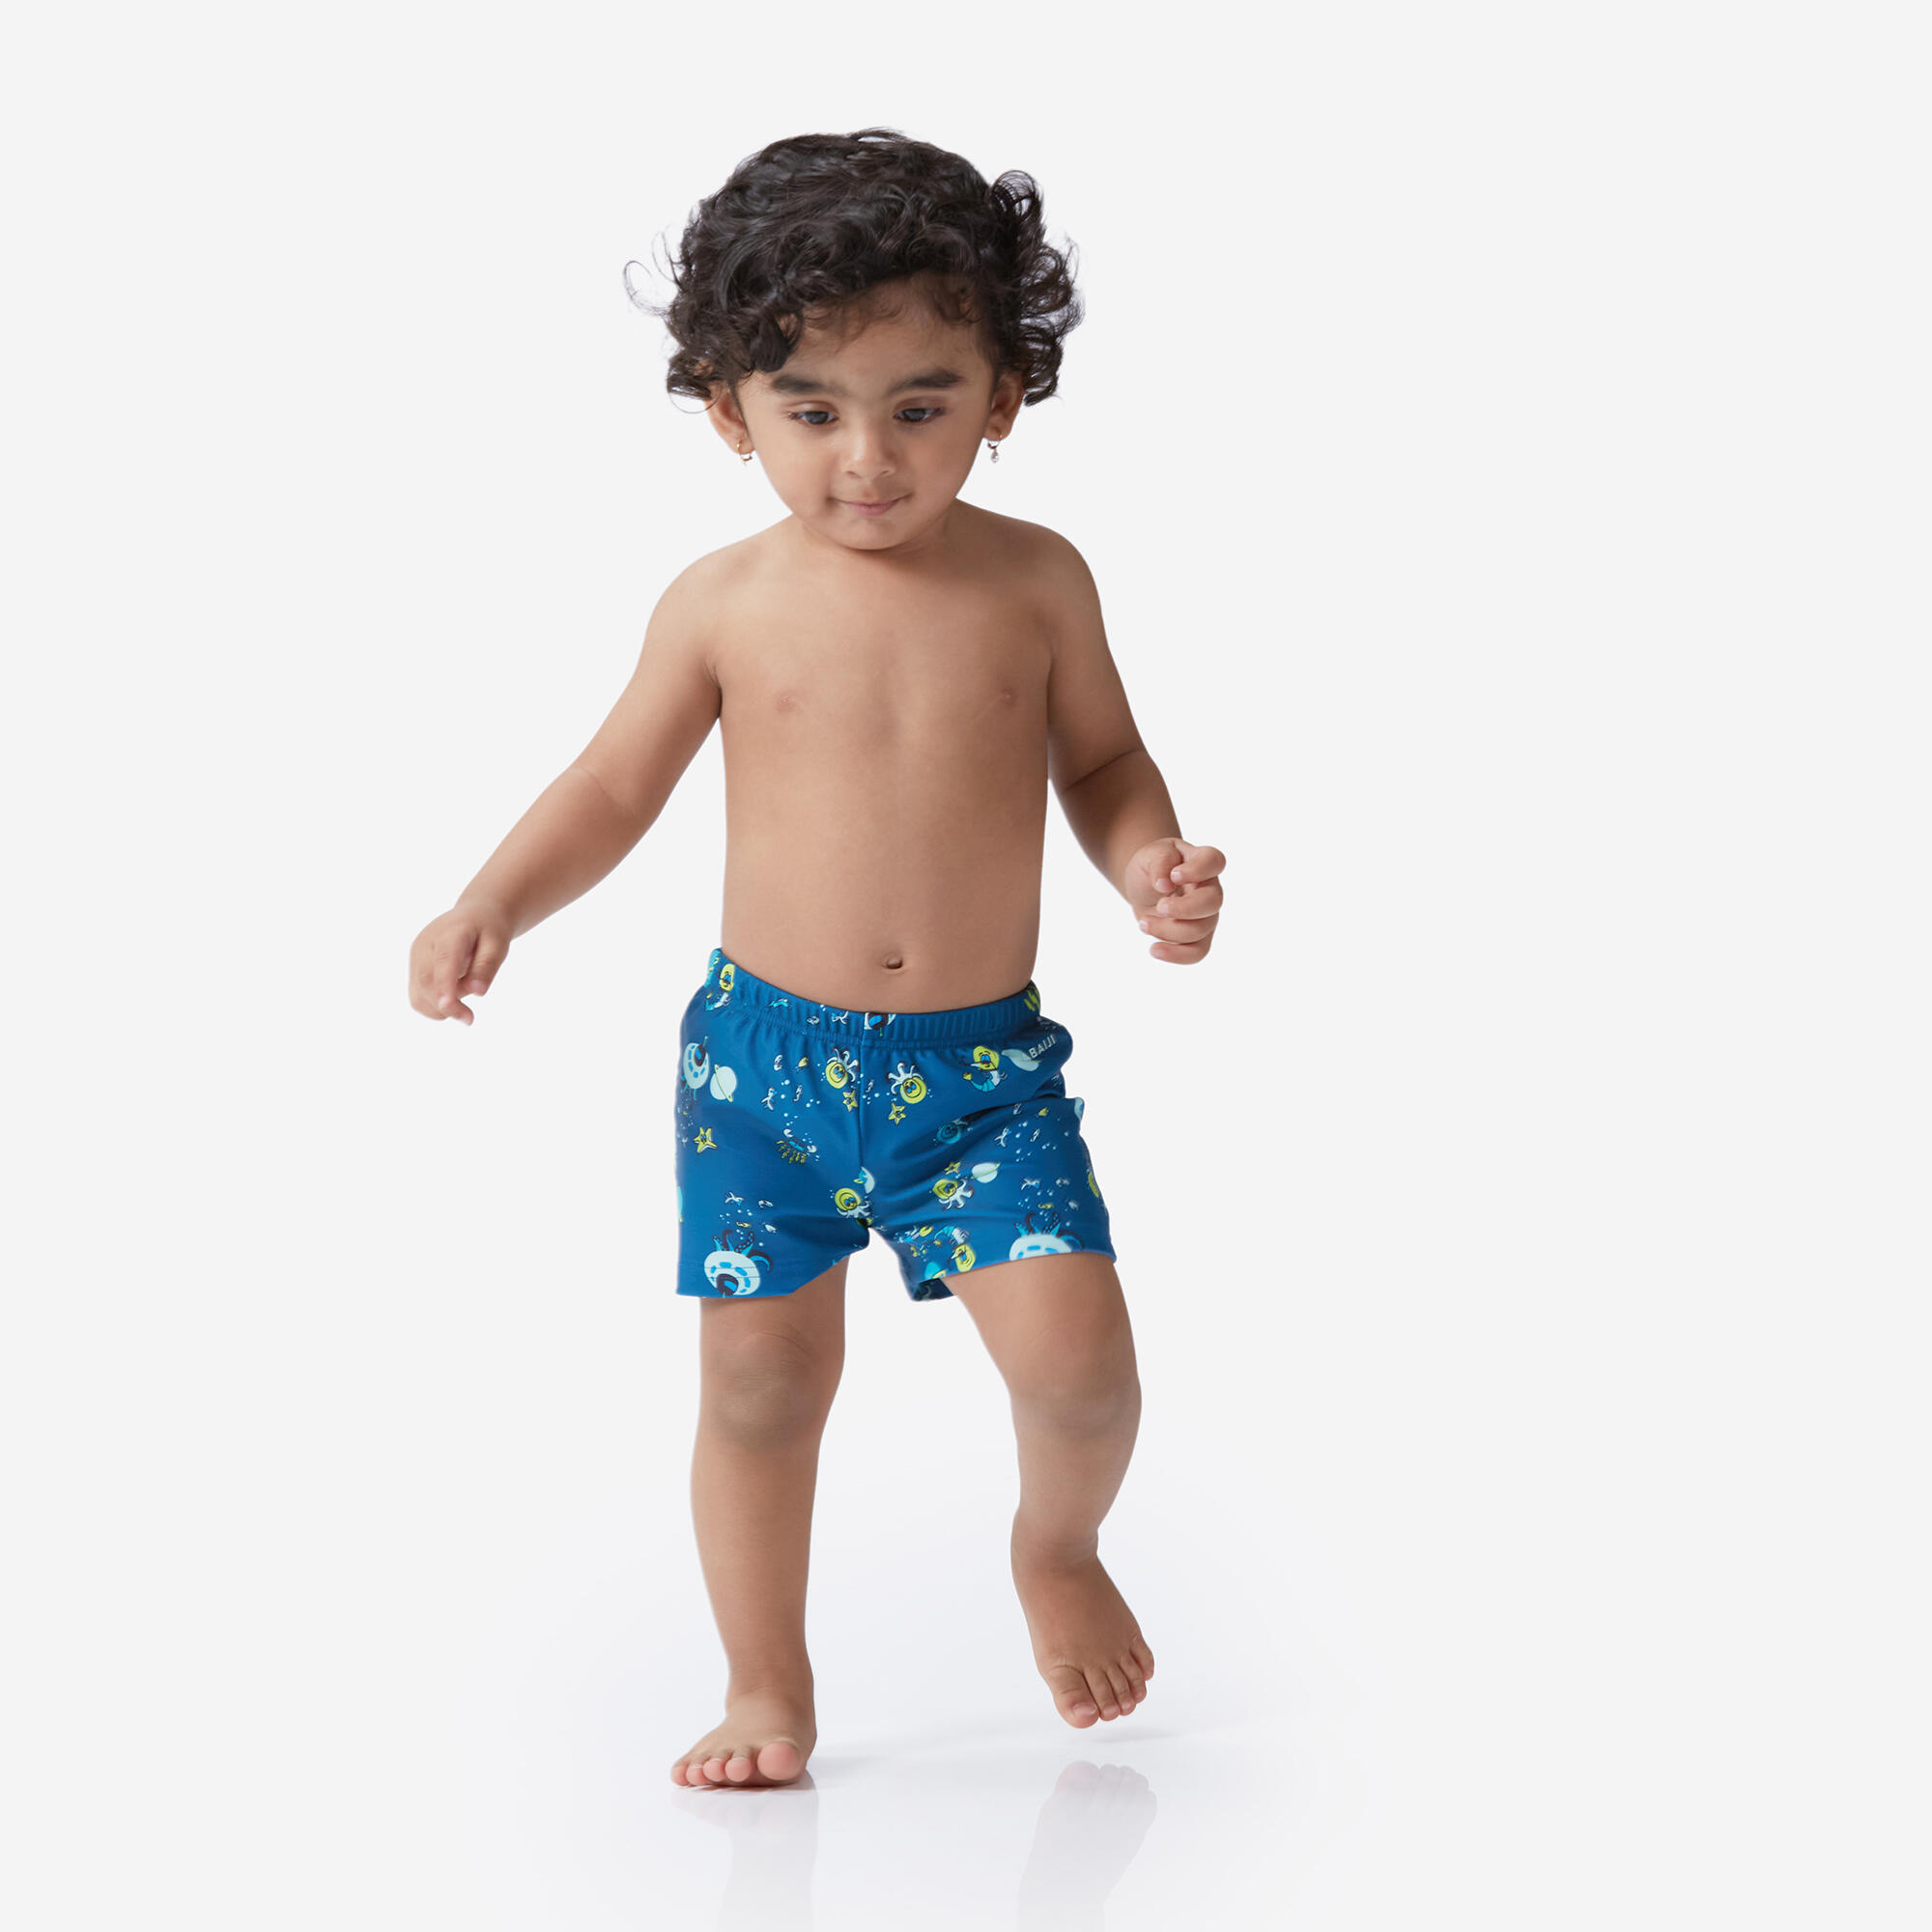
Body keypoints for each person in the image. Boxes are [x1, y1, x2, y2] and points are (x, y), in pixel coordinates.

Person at [407, 128, 1228, 1790]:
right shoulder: (721, 603)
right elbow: (611, 786)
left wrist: (1150, 857)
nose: (867, 459)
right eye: (811, 411)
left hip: (980, 1081)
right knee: (759, 1389)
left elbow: (1102, 761)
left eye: (921, 408)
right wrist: (493, 900)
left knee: (1082, 1369)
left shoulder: (1039, 582)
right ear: (731, 410)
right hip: (761, 1074)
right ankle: (764, 1683)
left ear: (1003, 398)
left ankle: (1058, 1546)